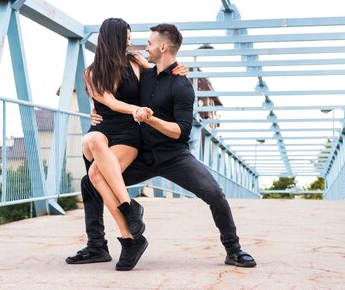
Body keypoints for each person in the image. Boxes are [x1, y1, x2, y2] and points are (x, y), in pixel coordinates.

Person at [66, 23, 256, 270]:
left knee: (214, 193)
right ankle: (97, 246)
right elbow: (114, 97)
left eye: (149, 43)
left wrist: (151, 118)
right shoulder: (143, 74)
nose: (144, 46)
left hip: (173, 155)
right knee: (91, 180)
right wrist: (95, 110)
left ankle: (234, 250)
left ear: (163, 47)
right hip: (143, 153)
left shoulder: (181, 85)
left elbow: (182, 131)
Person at [67, 18, 187, 271]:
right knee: (94, 139)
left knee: (94, 176)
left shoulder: (135, 61)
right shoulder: (90, 72)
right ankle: (129, 207)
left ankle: (129, 239)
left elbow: (159, 74)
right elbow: (109, 101)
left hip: (128, 135)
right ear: (113, 39)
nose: (131, 43)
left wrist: (178, 69)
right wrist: (135, 108)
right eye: (127, 38)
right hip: (103, 128)